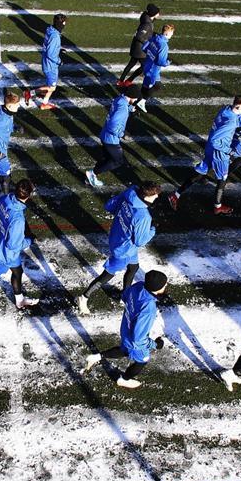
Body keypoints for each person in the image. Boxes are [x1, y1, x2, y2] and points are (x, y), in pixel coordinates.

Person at [78, 182, 159, 314]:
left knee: (134, 267)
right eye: (155, 195)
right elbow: (139, 241)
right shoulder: (143, 216)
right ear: (147, 196)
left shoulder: (130, 193)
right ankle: (84, 297)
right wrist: (152, 229)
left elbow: (109, 205)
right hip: (124, 250)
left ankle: (125, 295)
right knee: (107, 275)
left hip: (118, 237)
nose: (156, 198)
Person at [82, 269, 169, 389]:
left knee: (125, 350)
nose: (166, 285)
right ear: (156, 289)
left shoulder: (139, 286)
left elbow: (125, 296)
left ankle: (96, 357)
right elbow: (138, 338)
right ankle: (124, 379)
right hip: (135, 341)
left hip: (125, 327)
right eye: (164, 284)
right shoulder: (149, 309)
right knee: (142, 360)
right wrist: (155, 344)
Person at [167, 95, 241, 215]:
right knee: (222, 179)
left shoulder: (226, 109)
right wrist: (229, 151)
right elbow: (216, 141)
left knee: (201, 171)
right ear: (238, 106)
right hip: (219, 153)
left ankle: (175, 195)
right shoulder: (231, 123)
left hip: (210, 149)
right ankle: (218, 206)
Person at [0, 179, 39, 309]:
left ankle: (19, 300)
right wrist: (29, 241)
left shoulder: (6, 198)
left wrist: (1, 224)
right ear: (28, 195)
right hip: (5, 255)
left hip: (4, 249)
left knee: (18, 272)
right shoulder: (18, 220)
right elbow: (14, 246)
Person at [85, 91, 133, 188]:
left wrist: (129, 108)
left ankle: (90, 177)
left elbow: (118, 110)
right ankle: (92, 173)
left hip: (105, 134)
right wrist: (122, 134)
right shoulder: (123, 108)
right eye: (136, 98)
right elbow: (113, 126)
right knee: (118, 160)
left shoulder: (120, 99)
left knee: (107, 158)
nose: (136, 100)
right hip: (111, 140)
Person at [23, 13, 66, 110]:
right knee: (52, 87)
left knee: (50, 85)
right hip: (51, 66)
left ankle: (44, 104)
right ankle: (29, 93)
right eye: (64, 23)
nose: (64, 25)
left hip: (46, 62)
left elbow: (49, 46)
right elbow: (51, 54)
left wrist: (58, 49)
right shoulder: (55, 36)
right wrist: (59, 61)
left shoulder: (50, 30)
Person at [130, 24, 174, 112]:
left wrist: (151, 55)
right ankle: (142, 101)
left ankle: (133, 107)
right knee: (157, 86)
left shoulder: (154, 38)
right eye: (171, 33)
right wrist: (167, 63)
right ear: (167, 34)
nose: (172, 35)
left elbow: (144, 48)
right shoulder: (164, 45)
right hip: (154, 70)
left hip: (147, 65)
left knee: (145, 87)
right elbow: (160, 61)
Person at [117, 3, 160, 88]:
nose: (159, 14)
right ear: (153, 14)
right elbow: (139, 36)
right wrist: (148, 43)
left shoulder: (147, 19)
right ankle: (128, 81)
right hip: (140, 49)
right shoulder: (147, 24)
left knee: (131, 63)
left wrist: (154, 34)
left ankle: (121, 81)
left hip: (137, 47)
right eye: (158, 13)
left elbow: (147, 33)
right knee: (144, 66)